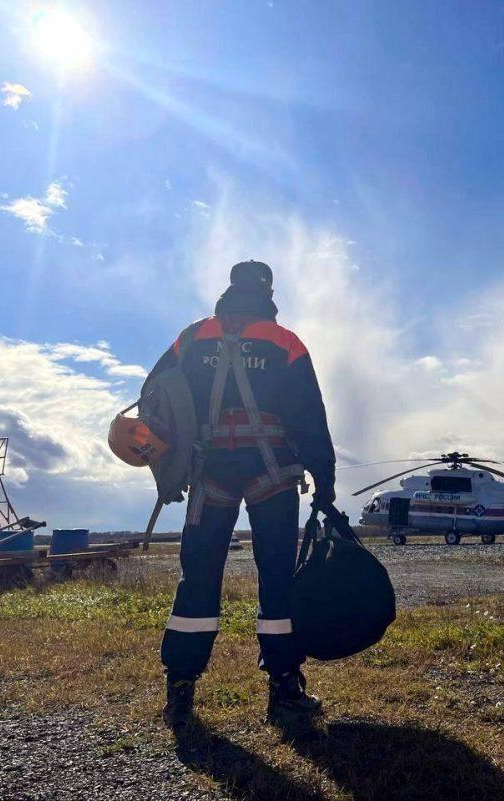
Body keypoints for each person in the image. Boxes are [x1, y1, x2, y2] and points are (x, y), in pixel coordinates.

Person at [143, 260, 336, 729]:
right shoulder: (285, 342)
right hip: (272, 473)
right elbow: (311, 416)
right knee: (277, 581)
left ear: (229, 289)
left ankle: (181, 689)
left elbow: (153, 398)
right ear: (269, 292)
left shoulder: (191, 338)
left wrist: (169, 464)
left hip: (210, 472)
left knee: (198, 576)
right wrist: (324, 483)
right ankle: (284, 689)